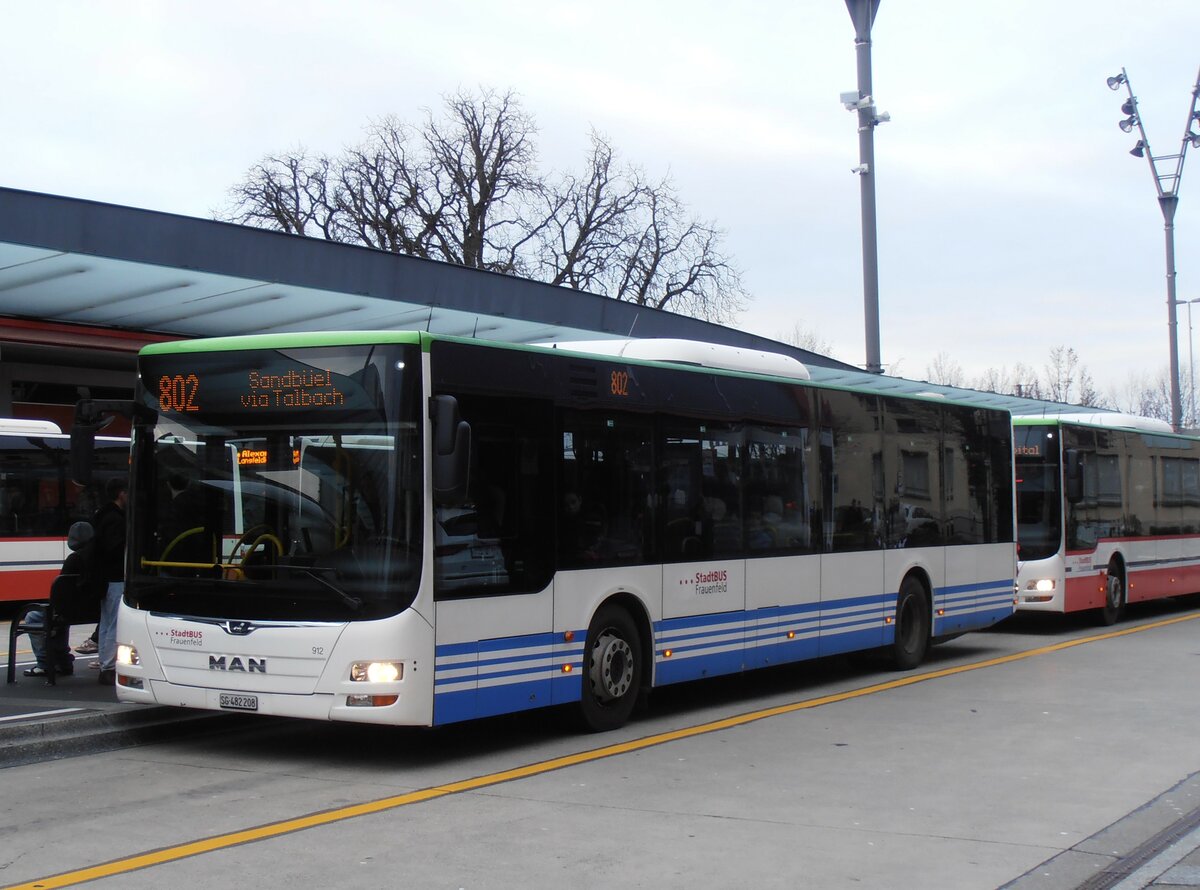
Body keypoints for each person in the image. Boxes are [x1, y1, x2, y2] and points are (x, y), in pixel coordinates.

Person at [24, 521, 101, 677]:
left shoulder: (74, 560)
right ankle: (63, 661)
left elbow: (62, 593)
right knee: (60, 616)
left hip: (70, 610)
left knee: (33, 617)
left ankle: (45, 662)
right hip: (94, 611)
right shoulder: (100, 560)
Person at [93, 477, 128, 686]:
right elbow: (115, 547)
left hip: (104, 577)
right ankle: (108, 666)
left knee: (106, 622)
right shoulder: (117, 519)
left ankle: (104, 663)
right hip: (115, 576)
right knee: (114, 622)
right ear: (121, 494)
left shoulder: (102, 515)